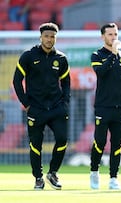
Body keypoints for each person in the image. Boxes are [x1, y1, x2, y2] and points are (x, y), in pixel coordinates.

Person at [12, 22, 70, 190]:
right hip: (35, 108)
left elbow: (66, 82)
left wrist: (65, 102)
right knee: (35, 144)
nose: (49, 39)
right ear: (40, 37)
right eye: (46, 36)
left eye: (52, 36)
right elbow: (17, 81)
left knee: (62, 139)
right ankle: (38, 177)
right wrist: (26, 104)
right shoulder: (28, 56)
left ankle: (52, 173)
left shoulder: (61, 58)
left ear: (55, 38)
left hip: (57, 108)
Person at [89, 23, 121, 190]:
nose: (113, 37)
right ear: (102, 36)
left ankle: (113, 178)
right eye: (110, 34)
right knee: (100, 142)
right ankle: (94, 172)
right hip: (103, 107)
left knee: (117, 144)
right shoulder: (97, 55)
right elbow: (101, 72)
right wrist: (113, 54)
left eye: (115, 34)